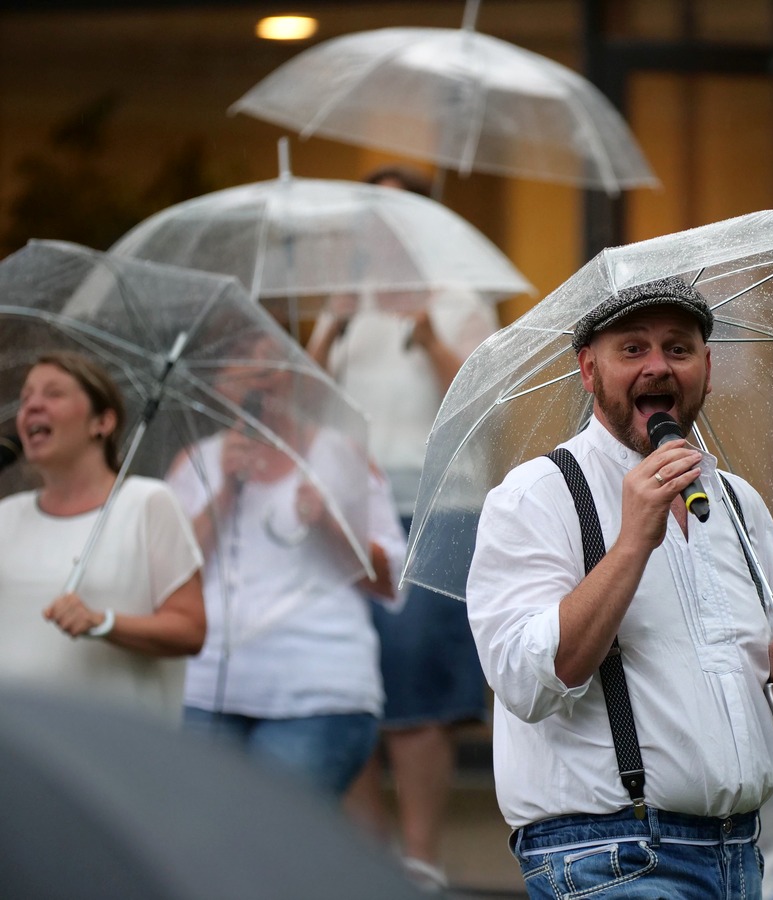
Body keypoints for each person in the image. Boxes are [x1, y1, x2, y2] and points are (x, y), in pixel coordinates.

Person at [466, 277, 773, 899]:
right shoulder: (536, 496)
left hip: (738, 854)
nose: (658, 366)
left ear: (706, 369)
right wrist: (632, 542)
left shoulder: (740, 502)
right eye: (632, 349)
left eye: (678, 349)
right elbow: (524, 682)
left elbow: (746, 678)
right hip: (609, 857)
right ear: (589, 371)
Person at [308, 169, 498, 889]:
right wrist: (328, 323)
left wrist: (427, 334)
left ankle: (420, 859)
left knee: (416, 674)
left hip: (436, 507)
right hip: (350, 505)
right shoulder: (346, 309)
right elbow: (306, 400)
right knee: (351, 671)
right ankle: (367, 854)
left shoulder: (456, 298)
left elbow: (482, 400)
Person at [168, 336, 407, 797]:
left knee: (272, 836)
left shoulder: (341, 456)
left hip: (317, 691)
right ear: (221, 384)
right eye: (247, 368)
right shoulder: (196, 463)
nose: (263, 380)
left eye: (274, 367)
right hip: (206, 688)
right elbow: (168, 576)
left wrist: (332, 525)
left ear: (296, 379)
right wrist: (223, 494)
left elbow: (392, 582)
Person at [0, 351, 205, 723]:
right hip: (18, 751)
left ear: (103, 421)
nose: (32, 407)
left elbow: (190, 629)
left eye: (53, 394)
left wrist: (104, 622)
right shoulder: (6, 515)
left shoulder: (147, 504)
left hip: (109, 753)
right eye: (26, 397)